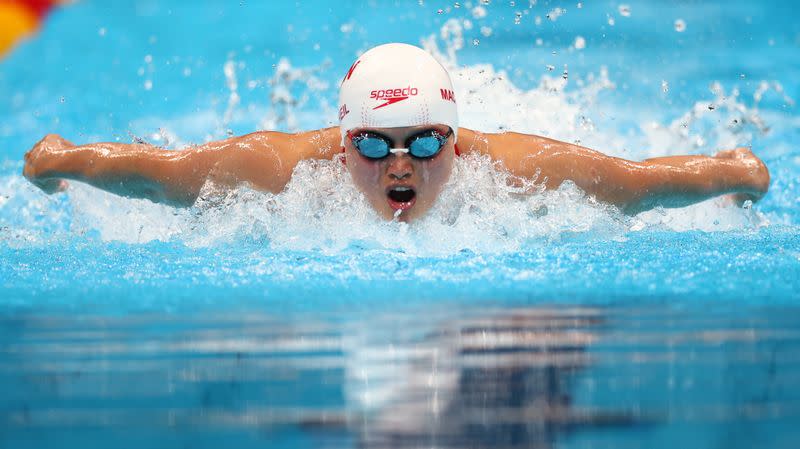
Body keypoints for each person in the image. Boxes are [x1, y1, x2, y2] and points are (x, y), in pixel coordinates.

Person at [23, 43, 769, 221]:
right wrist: (65, 160)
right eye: (377, 145)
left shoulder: (514, 170)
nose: (400, 164)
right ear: (345, 142)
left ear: (456, 136)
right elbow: (162, 173)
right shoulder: (277, 169)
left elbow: (638, 185)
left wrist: (733, 171)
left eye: (426, 142)